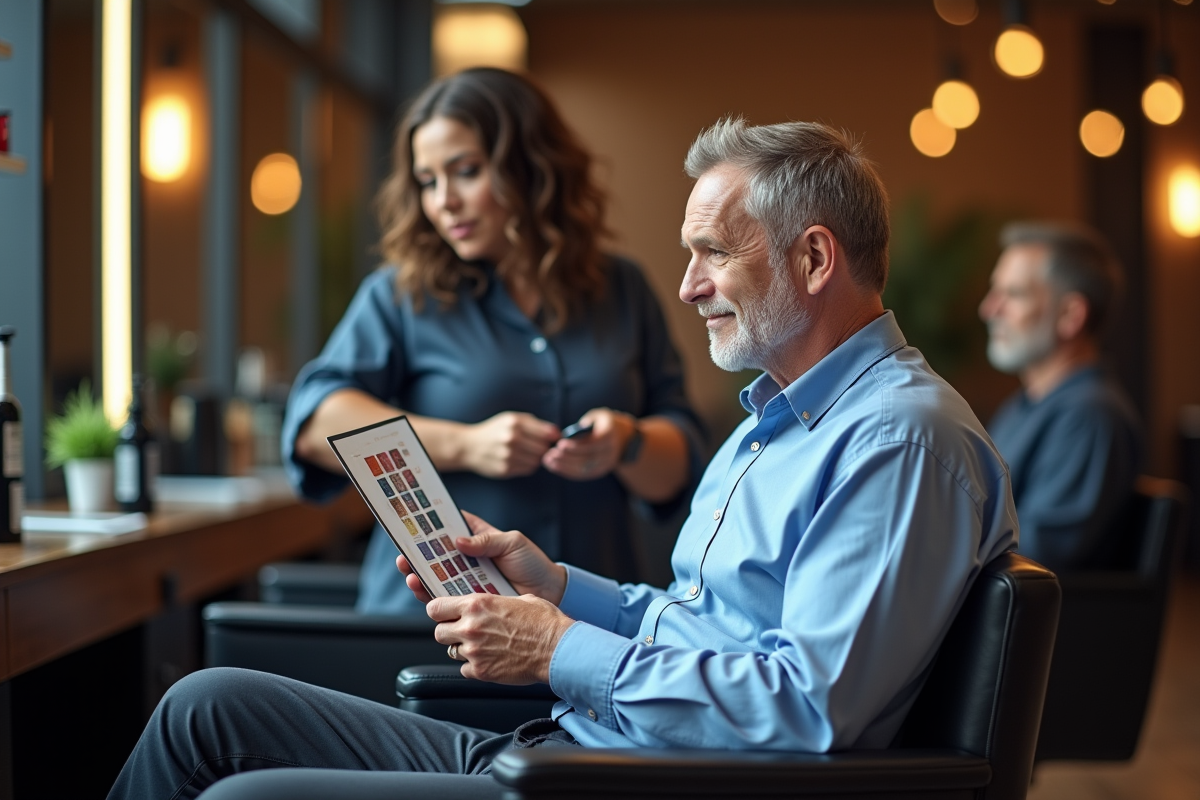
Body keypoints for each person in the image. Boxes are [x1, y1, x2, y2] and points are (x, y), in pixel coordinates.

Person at [108, 119, 1017, 800]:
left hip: (626, 783)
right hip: (573, 748)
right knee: (206, 704)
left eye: (711, 254)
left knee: (241, 796)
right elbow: (700, 624)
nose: (690, 286)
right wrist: (552, 589)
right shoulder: (778, 419)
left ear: (815, 259)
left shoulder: (900, 441)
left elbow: (809, 714)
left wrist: (559, 649)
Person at [282, 68, 703, 613]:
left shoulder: (622, 288)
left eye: (466, 172)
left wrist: (626, 442)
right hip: (435, 625)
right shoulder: (402, 294)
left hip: (591, 626)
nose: (444, 202)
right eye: (428, 182)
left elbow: (684, 459)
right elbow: (316, 425)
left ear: (532, 166)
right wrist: (466, 445)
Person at [978, 222, 1142, 572]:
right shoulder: (1025, 406)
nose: (989, 310)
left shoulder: (1090, 415)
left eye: (1014, 294)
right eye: (995, 292)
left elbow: (1034, 557)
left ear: (1070, 315)